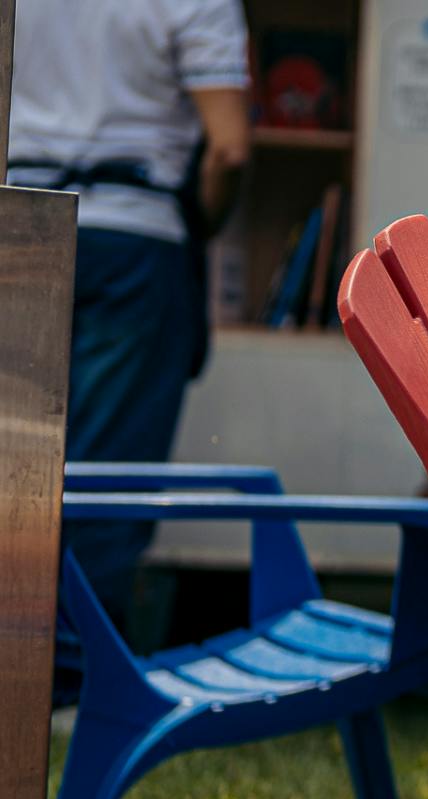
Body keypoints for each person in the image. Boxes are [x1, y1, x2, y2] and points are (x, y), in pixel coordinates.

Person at [7, 0, 252, 614]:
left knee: (13, 454)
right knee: (105, 473)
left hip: (16, 220)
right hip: (135, 236)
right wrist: (201, 224)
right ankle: (74, 660)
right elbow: (229, 148)